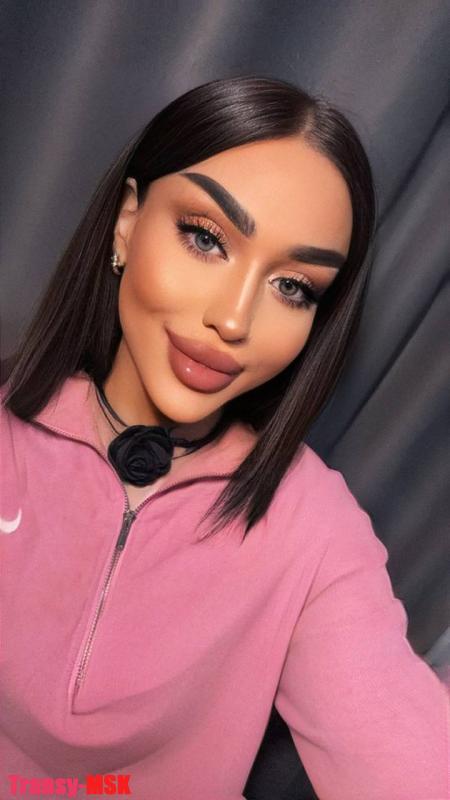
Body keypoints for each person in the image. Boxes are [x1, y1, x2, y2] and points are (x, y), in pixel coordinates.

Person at [0, 75, 448, 800]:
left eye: (293, 286)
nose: (234, 320)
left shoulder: (310, 528)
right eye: (206, 238)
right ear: (127, 222)